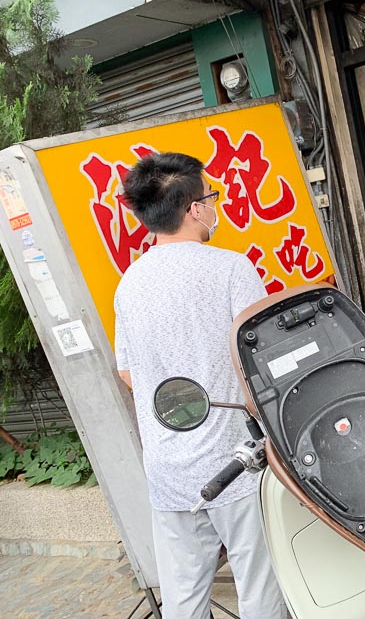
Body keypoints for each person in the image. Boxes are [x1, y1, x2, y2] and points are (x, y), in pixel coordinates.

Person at [115, 152, 287, 618]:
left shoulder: (130, 282)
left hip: (167, 467)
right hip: (234, 463)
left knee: (183, 595)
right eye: (209, 197)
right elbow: (260, 361)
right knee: (259, 584)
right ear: (193, 208)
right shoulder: (231, 268)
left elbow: (129, 373)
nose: (214, 205)